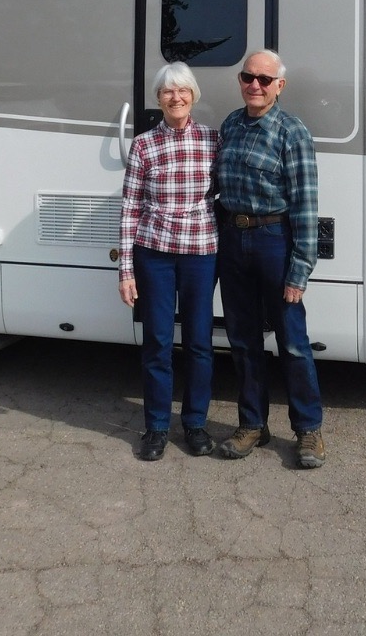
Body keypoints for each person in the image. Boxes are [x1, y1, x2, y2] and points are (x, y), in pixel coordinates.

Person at [215, 49, 325, 469]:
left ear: (280, 86)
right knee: (243, 342)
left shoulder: (292, 132)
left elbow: (306, 206)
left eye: (264, 79)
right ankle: (251, 425)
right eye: (248, 77)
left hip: (274, 241)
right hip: (234, 240)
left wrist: (300, 268)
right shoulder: (231, 124)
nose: (254, 86)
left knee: (293, 343)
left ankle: (309, 431)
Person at [118, 62, 218, 461]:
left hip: (200, 254)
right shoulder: (143, 145)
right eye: (167, 92)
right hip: (154, 254)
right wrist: (126, 269)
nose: (175, 98)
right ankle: (157, 427)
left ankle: (194, 423)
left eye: (182, 91)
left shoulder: (213, 140)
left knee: (199, 342)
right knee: (158, 343)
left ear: (193, 94)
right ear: (158, 99)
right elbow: (130, 208)